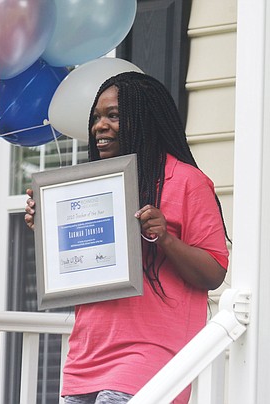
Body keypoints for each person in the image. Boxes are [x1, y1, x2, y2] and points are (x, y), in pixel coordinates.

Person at [24, 71, 230, 404]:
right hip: (87, 352)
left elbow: (214, 272)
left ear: (143, 119)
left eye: (113, 115)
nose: (99, 127)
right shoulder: (93, 187)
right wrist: (50, 226)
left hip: (151, 352)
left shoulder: (188, 182)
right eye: (96, 118)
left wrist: (166, 239)